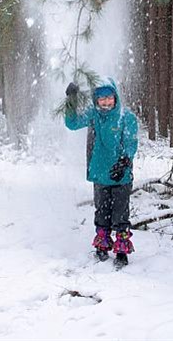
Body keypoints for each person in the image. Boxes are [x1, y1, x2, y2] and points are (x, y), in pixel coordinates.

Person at [64, 77, 138, 268]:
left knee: (121, 213)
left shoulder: (126, 117)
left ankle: (122, 249)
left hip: (120, 174)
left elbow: (130, 142)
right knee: (102, 211)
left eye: (109, 98)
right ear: (96, 100)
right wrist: (71, 99)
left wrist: (124, 161)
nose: (105, 102)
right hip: (100, 173)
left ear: (115, 97)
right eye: (101, 99)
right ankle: (102, 244)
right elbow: (71, 124)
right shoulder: (93, 115)